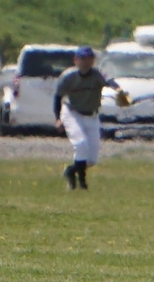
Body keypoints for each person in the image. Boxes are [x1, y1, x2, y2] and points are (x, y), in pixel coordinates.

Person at [53, 46, 123, 190]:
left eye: (89, 58)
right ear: (75, 60)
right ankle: (82, 184)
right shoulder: (69, 76)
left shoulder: (97, 74)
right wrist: (58, 118)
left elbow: (109, 81)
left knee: (91, 160)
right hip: (73, 113)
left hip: (92, 115)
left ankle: (71, 171)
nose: (86, 62)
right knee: (80, 144)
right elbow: (58, 97)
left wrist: (118, 90)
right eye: (82, 58)